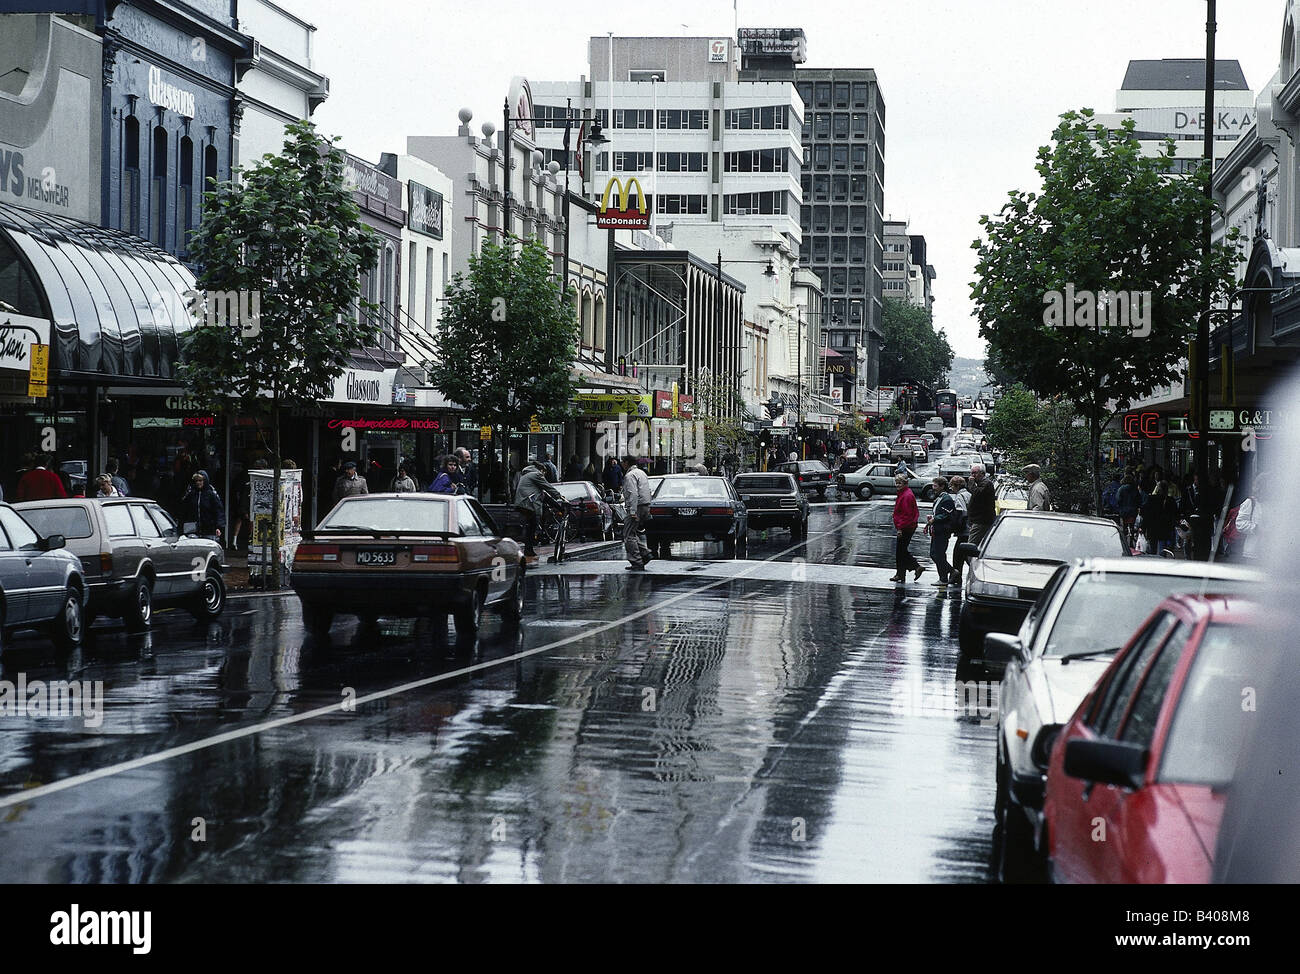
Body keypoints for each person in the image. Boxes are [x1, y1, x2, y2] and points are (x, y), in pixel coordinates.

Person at [513, 458, 565, 557]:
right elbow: (547, 487)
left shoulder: (527, 474)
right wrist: (559, 496)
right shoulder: (536, 474)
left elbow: (544, 496)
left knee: (531, 526)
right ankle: (529, 550)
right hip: (527, 504)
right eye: (544, 473)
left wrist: (558, 506)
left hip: (523, 503)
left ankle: (529, 549)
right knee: (532, 526)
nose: (544, 476)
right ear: (542, 470)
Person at [620, 455, 654, 571]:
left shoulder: (630, 476)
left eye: (622, 462)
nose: (621, 464)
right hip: (645, 505)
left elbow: (632, 493)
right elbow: (648, 490)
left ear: (626, 463)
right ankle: (645, 553)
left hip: (637, 506)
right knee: (632, 533)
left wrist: (632, 510)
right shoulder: (641, 473)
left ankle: (637, 561)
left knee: (628, 534)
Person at [890, 474, 924, 584]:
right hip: (908, 525)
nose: (897, 485)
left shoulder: (906, 495)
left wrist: (900, 528)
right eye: (896, 482)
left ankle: (915, 567)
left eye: (900, 483)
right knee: (901, 551)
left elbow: (907, 514)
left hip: (906, 526)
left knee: (901, 551)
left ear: (905, 483)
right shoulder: (904, 493)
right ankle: (901, 573)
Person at [925, 476, 957, 586]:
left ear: (942, 486)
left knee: (937, 554)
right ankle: (946, 575)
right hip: (937, 530)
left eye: (935, 485)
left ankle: (947, 575)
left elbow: (948, 515)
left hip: (942, 530)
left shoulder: (947, 499)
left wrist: (935, 519)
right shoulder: (940, 498)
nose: (933, 488)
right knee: (936, 554)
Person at [180, 469, 225, 542]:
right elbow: (184, 510)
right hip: (192, 530)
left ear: (205, 481)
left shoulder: (211, 493)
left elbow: (219, 511)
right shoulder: (190, 493)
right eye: (196, 481)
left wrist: (219, 527)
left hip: (209, 530)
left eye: (200, 480)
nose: (198, 483)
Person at [966, 462, 996, 550]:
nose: (972, 475)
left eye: (975, 473)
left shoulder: (986, 484)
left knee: (970, 547)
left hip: (981, 521)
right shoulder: (980, 484)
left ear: (982, 473)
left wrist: (971, 484)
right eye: (972, 473)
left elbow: (977, 494)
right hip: (977, 520)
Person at [948, 475, 971, 585]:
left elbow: (962, 511)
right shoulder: (968, 494)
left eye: (952, 485)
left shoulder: (960, 496)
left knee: (958, 555)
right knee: (965, 554)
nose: (951, 488)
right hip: (970, 529)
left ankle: (956, 577)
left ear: (956, 486)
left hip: (964, 530)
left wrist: (955, 526)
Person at [1116, 473, 1141, 547]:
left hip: (1124, 511)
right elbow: (1138, 499)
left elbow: (1118, 499)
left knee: (1124, 526)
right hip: (1133, 510)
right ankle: (1131, 542)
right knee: (1132, 526)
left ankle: (1125, 542)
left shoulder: (1121, 489)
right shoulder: (1134, 489)